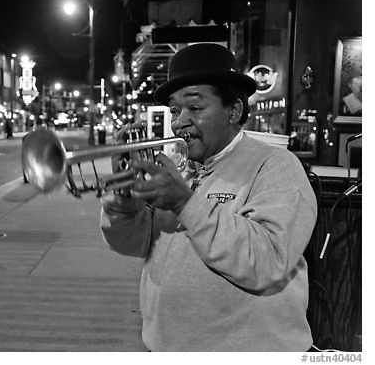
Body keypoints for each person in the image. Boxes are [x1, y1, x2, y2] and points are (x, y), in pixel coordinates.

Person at [100, 43, 317, 351]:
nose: (178, 122)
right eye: (175, 110)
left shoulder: (276, 166)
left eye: (195, 108)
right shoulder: (178, 167)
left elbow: (266, 261)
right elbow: (132, 244)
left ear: (234, 111)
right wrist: (123, 202)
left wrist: (185, 203)